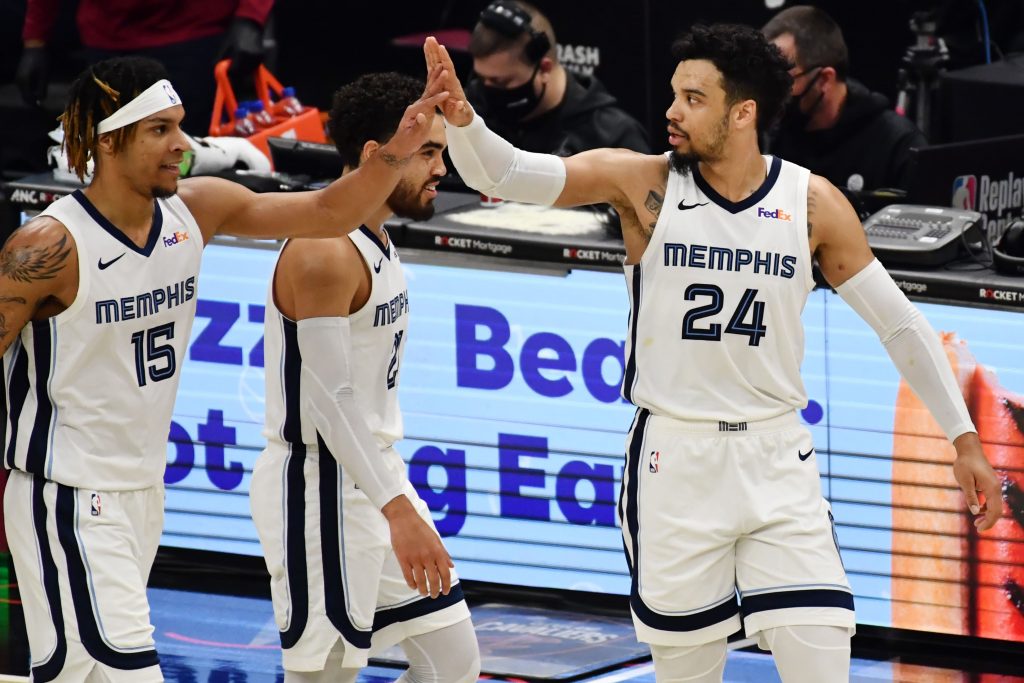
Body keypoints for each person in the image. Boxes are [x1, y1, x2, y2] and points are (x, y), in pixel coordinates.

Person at [424, 24, 1002, 682]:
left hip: (777, 457)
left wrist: (963, 438)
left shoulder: (810, 203)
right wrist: (464, 119)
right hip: (676, 462)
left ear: (743, 112)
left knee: (822, 658)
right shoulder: (643, 184)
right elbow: (506, 173)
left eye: (693, 98)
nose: (671, 111)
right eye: (674, 94)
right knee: (688, 671)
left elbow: (898, 324)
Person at [0, 55, 449, 682]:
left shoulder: (196, 210)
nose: (182, 144)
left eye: (180, 126)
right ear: (108, 140)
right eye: (160, 130)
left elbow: (328, 213)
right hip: (70, 495)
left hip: (143, 494)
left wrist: (400, 147)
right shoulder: (47, 248)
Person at [249, 71, 479, 683]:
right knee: (325, 676)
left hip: (369, 475)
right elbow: (332, 400)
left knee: (453, 663)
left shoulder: (374, 232)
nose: (441, 169)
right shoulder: (323, 249)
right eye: (428, 152)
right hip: (319, 485)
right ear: (378, 155)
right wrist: (397, 508)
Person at [17, 0, 274, 133]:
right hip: (107, 39)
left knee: (189, 162)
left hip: (192, 37)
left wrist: (250, 17)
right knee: (110, 157)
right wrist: (35, 42)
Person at [762, 5, 927, 193]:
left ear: (824, 79)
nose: (768, 92)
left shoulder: (898, 145)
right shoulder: (769, 138)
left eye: (782, 80)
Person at [464, 0, 649, 156]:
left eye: (501, 82)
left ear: (544, 69)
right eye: (481, 78)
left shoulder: (613, 138)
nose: (486, 90)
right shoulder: (468, 113)